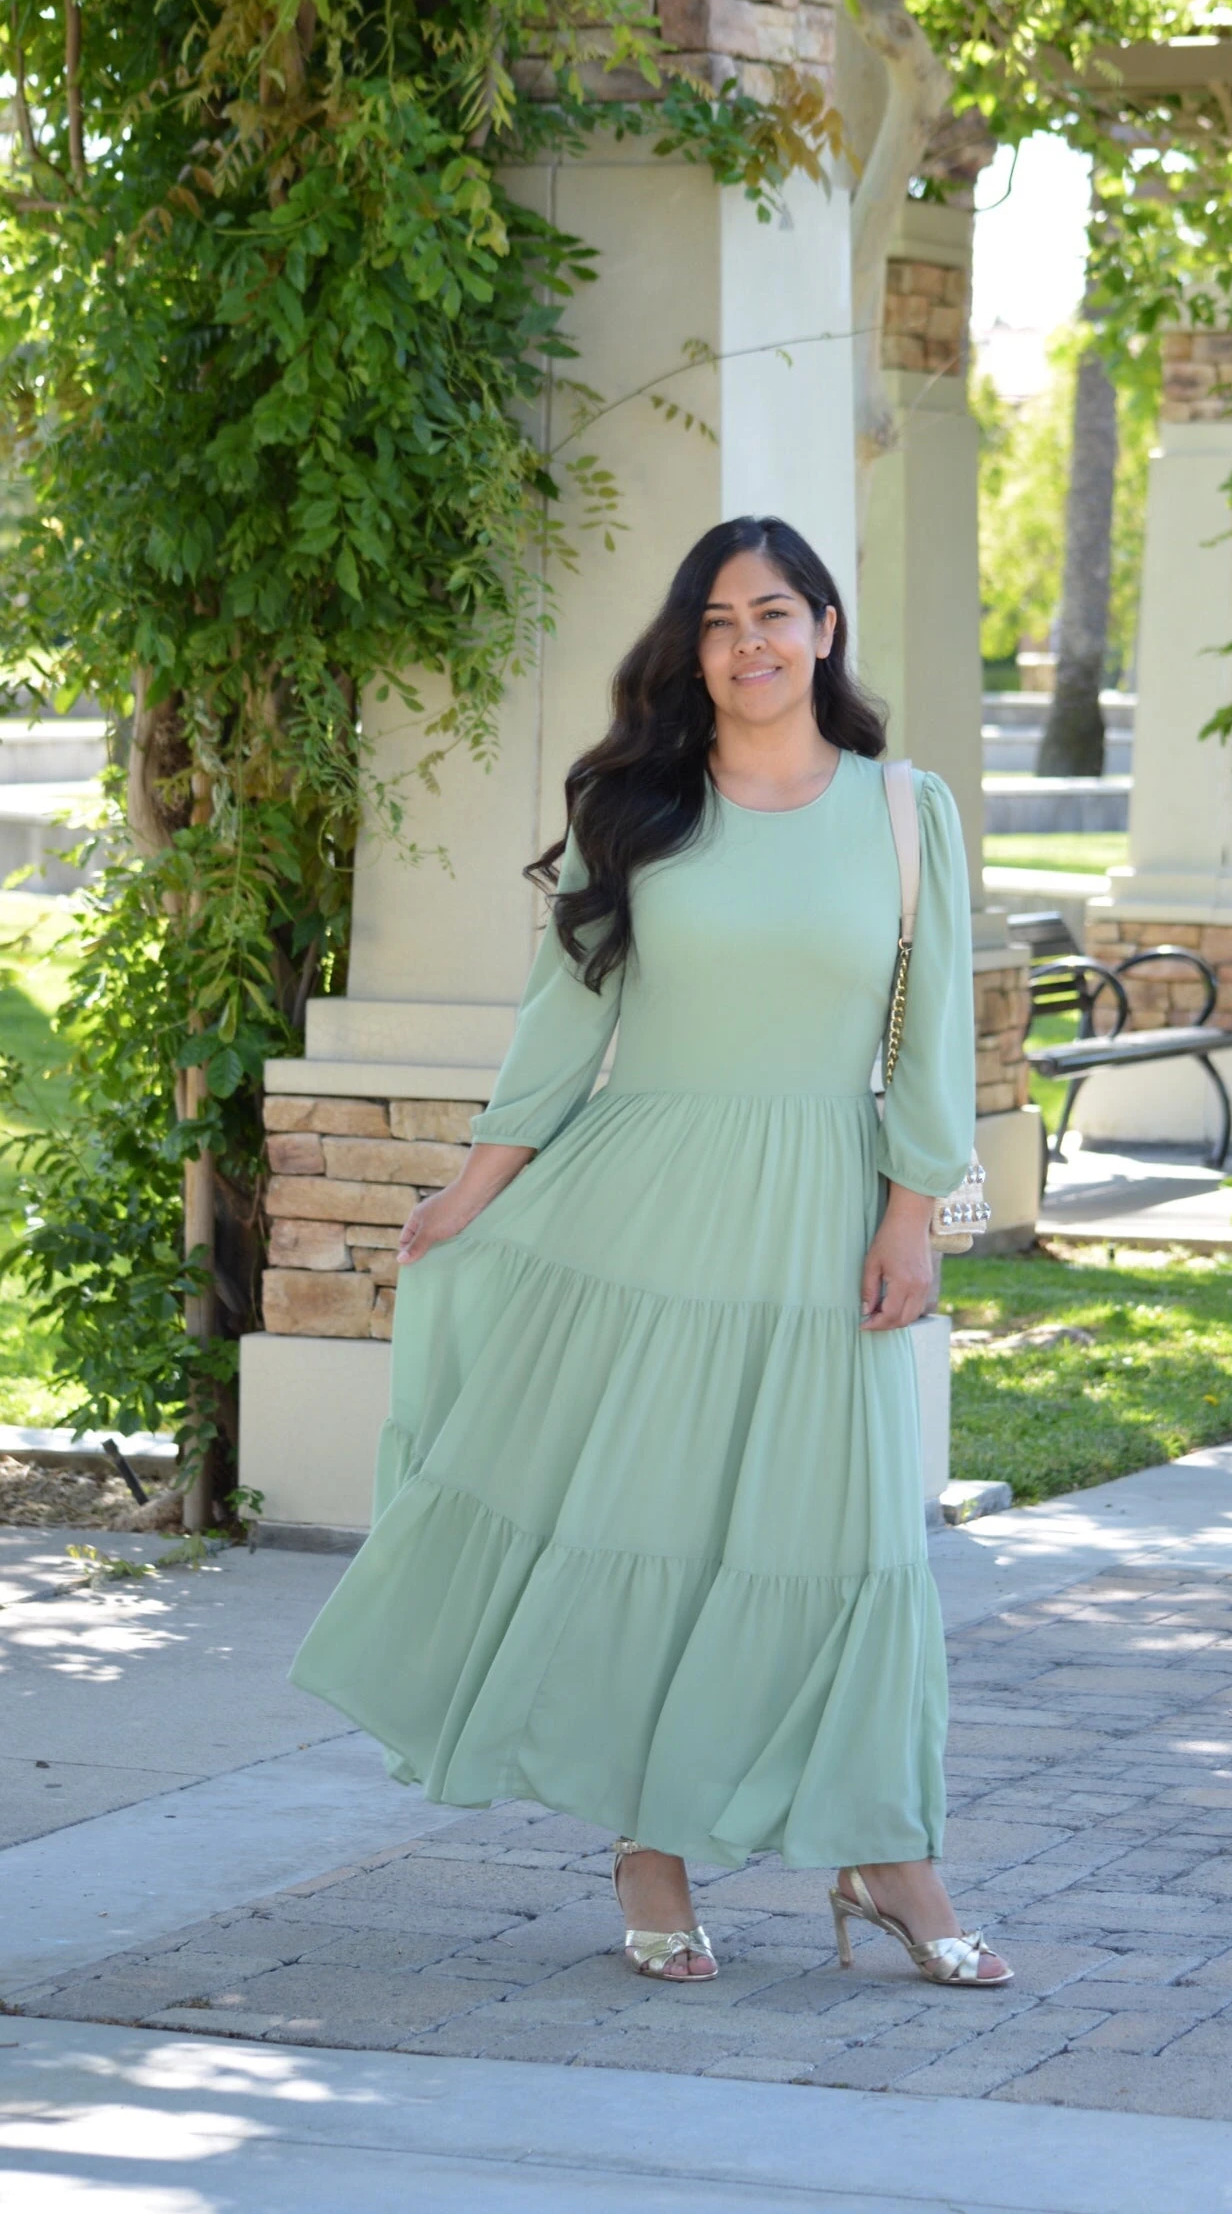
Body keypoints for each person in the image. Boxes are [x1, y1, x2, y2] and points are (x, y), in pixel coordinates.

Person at [289, 515, 1013, 1988]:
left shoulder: (901, 808)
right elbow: (566, 1021)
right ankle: (650, 1849)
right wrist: (472, 1187)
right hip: (647, 1217)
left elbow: (933, 1026)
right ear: (691, 648)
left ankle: (887, 1851)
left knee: (848, 1544)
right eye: (718, 621)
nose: (749, 643)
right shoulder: (638, 808)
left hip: (824, 1212)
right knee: (654, 1529)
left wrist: (912, 1213)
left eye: (775, 613)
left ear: (823, 628)